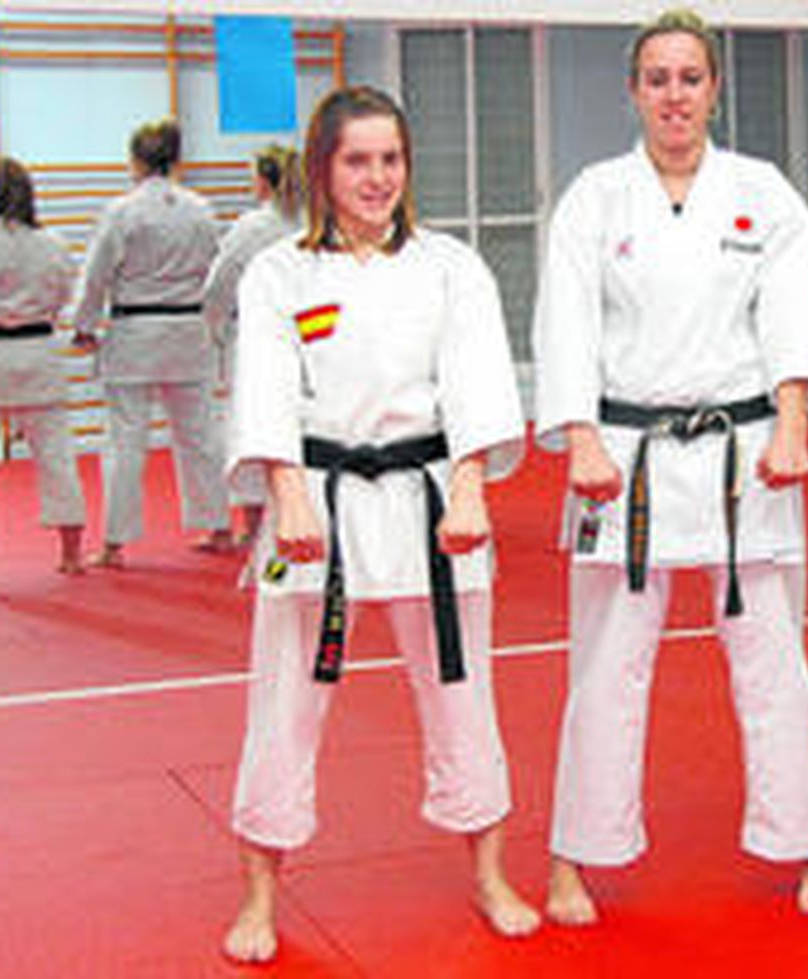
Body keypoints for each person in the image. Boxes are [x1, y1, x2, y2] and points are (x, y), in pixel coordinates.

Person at [533, 8, 808, 924]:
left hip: (745, 454)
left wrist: (794, 422)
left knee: (774, 660)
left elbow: (792, 312)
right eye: (658, 78)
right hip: (626, 455)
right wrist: (580, 438)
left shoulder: (763, 193)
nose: (675, 95)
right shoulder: (596, 197)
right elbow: (566, 323)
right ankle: (576, 855)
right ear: (634, 91)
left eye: (691, 78)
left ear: (715, 89)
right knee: (605, 665)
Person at [221, 86, 538, 963]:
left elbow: (477, 380)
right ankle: (259, 894)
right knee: (284, 700)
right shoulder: (279, 272)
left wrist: (471, 487)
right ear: (323, 169)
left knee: (462, 692)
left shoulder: (450, 267)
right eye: (357, 160)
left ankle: (490, 874)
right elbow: (265, 388)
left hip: (428, 499)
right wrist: (286, 492)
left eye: (390, 159)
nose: (376, 177)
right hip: (316, 499)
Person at [72, 118, 232, 566]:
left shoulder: (123, 211)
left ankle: (115, 543)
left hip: (135, 332)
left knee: (126, 440)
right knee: (199, 434)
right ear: (177, 159)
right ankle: (219, 525)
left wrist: (84, 325)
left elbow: (97, 274)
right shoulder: (201, 210)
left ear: (136, 160)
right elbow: (216, 274)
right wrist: (213, 325)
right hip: (188, 330)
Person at [0, 157, 86, 573]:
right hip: (38, 350)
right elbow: (65, 294)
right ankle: (71, 554)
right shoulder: (52, 244)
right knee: (57, 456)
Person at [204, 143, 304, 544]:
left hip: (257, 337)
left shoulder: (253, 227)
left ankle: (253, 523)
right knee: (304, 424)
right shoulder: (315, 221)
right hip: (312, 334)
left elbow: (220, 283)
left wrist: (213, 328)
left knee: (253, 425)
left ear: (263, 181)